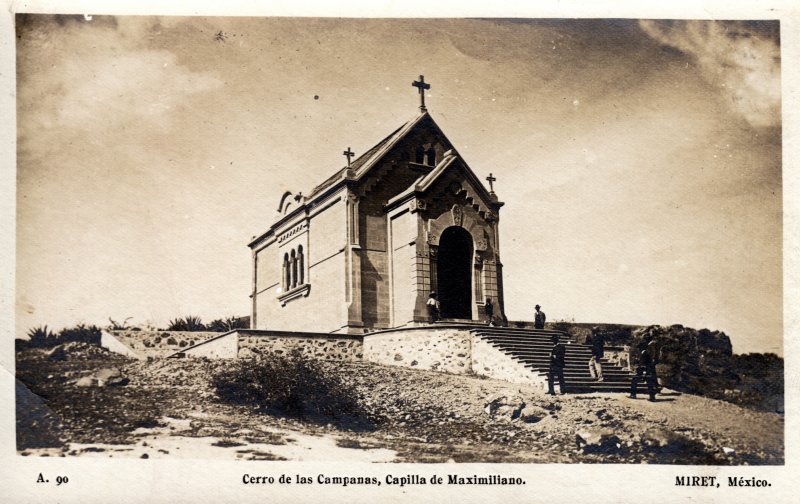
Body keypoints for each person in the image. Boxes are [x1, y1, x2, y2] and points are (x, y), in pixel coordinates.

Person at [630, 335, 659, 401]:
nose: (639, 349)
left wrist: (643, 369)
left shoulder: (645, 352)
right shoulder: (649, 351)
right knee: (650, 383)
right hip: (648, 369)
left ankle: (633, 394)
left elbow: (643, 362)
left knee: (635, 380)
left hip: (644, 369)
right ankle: (652, 397)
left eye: (640, 348)